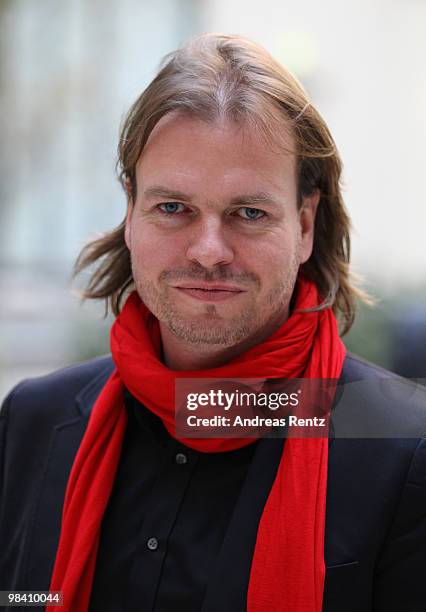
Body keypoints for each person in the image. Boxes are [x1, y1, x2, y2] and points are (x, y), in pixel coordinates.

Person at [1, 33, 426, 612]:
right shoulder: (32, 422)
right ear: (131, 214)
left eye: (248, 213)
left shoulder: (406, 448)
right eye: (173, 208)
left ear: (304, 226)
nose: (208, 250)